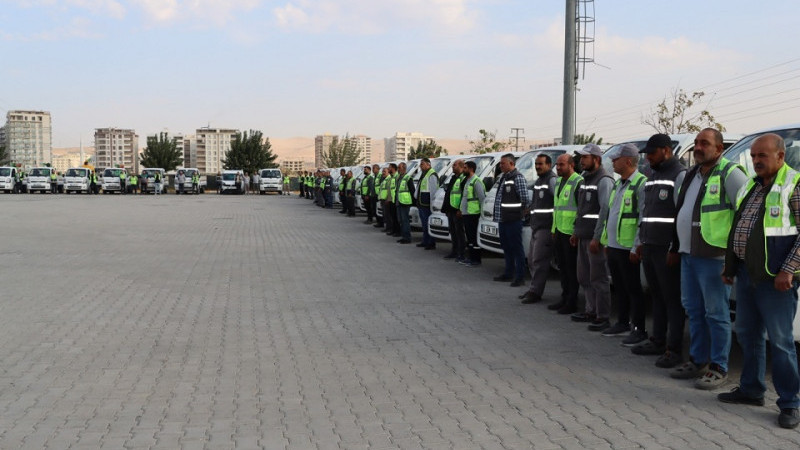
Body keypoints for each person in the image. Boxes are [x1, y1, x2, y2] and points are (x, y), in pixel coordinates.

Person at [718, 133, 800, 429]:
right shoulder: (752, 187)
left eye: (762, 156)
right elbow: (739, 229)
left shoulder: (794, 184)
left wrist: (788, 270)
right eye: (753, 156)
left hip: (776, 281)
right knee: (748, 334)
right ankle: (751, 390)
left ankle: (790, 402)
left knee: (780, 342)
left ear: (780, 156)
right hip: (746, 275)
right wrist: (730, 266)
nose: (756, 161)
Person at [669, 128, 748, 389]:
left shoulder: (730, 173)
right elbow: (682, 212)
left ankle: (718, 366)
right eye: (697, 143)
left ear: (720, 148)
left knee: (716, 313)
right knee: (694, 310)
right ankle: (698, 360)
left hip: (714, 258)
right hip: (689, 254)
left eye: (705, 143)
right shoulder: (692, 173)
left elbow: (744, 216)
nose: (699, 147)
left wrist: (733, 259)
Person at [632, 134, 687, 368]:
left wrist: (675, 246)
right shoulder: (652, 176)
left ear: (666, 150)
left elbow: (681, 214)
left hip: (667, 248)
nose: (648, 158)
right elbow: (646, 211)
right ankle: (657, 340)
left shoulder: (680, 174)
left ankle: (673, 349)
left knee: (672, 298)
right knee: (656, 295)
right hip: (650, 244)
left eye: (652, 153)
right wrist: (641, 240)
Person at [599, 143, 648, 347]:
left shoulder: (641, 184)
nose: (612, 162)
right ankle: (622, 322)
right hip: (614, 245)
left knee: (633, 289)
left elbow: (643, 217)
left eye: (616, 159)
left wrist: (637, 245)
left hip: (629, 247)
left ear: (628, 161)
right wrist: (606, 241)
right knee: (619, 287)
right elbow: (611, 215)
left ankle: (639, 329)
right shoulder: (619, 184)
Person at [569, 144, 614, 320]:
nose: (581, 161)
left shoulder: (604, 180)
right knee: (584, 277)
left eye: (585, 157)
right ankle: (590, 310)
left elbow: (604, 211)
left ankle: (602, 315)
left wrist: (597, 237)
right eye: (581, 158)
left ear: (596, 159)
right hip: (583, 235)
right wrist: (576, 231)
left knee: (598, 278)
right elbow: (582, 209)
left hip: (595, 239)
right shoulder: (585, 179)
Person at [520, 153, 558, 304]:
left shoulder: (552, 180)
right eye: (536, 164)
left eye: (540, 164)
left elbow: (558, 203)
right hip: (536, 226)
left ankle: (536, 292)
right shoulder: (539, 181)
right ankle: (533, 288)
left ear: (548, 165)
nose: (537, 167)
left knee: (539, 261)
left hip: (546, 227)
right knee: (531, 259)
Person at [549, 154, 581, 311]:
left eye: (562, 164)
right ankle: (564, 297)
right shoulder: (559, 181)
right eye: (557, 165)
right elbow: (557, 208)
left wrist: (576, 231)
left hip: (570, 234)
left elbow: (581, 210)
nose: (558, 167)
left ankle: (572, 302)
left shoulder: (578, 181)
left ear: (571, 165)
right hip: (559, 231)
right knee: (562, 268)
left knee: (571, 269)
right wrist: (553, 230)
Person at [492, 153, 530, 287]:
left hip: (513, 219)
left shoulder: (517, 178)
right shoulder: (504, 177)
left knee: (516, 248)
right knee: (506, 247)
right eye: (500, 164)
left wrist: (519, 213)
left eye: (503, 163)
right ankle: (508, 273)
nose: (500, 166)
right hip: (503, 219)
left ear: (511, 164)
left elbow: (525, 198)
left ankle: (520, 277)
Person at [460, 160, 485, 267]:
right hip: (467, 213)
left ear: (471, 169)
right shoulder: (467, 180)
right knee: (469, 237)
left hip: (474, 213)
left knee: (474, 238)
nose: (463, 169)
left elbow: (482, 198)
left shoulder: (476, 181)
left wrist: (482, 214)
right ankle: (470, 257)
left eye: (465, 168)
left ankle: (476, 259)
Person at [442, 160, 466, 260]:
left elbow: (464, 196)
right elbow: (449, 194)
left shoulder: (463, 179)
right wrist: (446, 209)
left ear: (460, 166)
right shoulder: (453, 178)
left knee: (459, 233)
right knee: (453, 232)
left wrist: (460, 209)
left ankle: (461, 253)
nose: (452, 167)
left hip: (457, 211)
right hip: (450, 210)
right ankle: (454, 251)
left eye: (454, 165)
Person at [416, 158, 439, 250]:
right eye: (420, 165)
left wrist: (432, 204)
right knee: (424, 224)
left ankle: (431, 243)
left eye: (422, 164)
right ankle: (425, 241)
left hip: (427, 204)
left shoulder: (432, 175)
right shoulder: (424, 174)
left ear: (428, 165)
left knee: (427, 224)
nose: (420, 166)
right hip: (422, 203)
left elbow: (433, 191)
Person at [395, 162, 415, 244]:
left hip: (405, 202)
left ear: (404, 168)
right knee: (401, 220)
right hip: (399, 202)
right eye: (398, 167)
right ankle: (403, 236)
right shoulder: (399, 178)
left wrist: (413, 203)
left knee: (405, 220)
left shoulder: (408, 178)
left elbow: (412, 191)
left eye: (399, 167)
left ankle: (407, 238)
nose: (398, 169)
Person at [385, 164, 400, 237]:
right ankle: (393, 230)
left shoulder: (397, 177)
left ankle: (397, 231)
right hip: (391, 200)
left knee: (396, 217)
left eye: (389, 168)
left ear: (393, 168)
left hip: (395, 200)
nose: (388, 169)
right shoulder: (391, 177)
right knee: (392, 217)